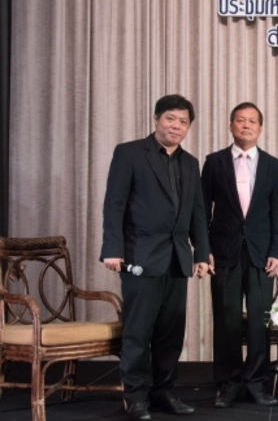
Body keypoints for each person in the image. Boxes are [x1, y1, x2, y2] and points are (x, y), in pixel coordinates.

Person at [101, 95, 210, 421]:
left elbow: (198, 213)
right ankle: (135, 397)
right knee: (139, 331)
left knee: (171, 332)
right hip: (140, 255)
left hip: (177, 258)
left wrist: (201, 253)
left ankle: (164, 392)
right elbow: (114, 204)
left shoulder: (190, 163)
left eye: (183, 122)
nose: (176, 126)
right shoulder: (130, 153)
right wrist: (112, 248)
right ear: (156, 119)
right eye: (170, 119)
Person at [201, 102, 278, 409]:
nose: (246, 125)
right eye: (240, 120)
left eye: (252, 121)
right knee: (227, 321)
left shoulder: (272, 165)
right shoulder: (214, 162)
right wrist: (204, 250)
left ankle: (257, 383)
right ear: (231, 126)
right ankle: (228, 384)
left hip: (262, 256)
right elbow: (201, 209)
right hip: (224, 253)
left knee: (259, 323)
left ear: (260, 128)